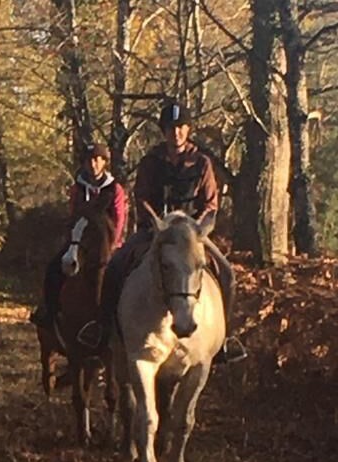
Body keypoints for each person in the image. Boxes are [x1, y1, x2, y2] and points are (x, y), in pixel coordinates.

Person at [77, 101, 247, 363]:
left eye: (180, 127)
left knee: (227, 273)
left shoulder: (202, 163)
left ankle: (225, 339)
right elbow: (141, 196)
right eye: (170, 128)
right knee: (115, 265)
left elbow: (211, 203)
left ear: (188, 129)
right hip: (155, 231)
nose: (175, 133)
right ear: (164, 131)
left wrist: (194, 228)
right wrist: (159, 224)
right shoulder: (150, 162)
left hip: (193, 235)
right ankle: (103, 329)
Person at [29, 142, 127, 328]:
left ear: (104, 162)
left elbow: (119, 219)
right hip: (81, 242)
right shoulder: (77, 188)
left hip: (108, 245)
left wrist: (111, 246)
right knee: (53, 269)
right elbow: (73, 215)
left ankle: (122, 321)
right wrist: (72, 241)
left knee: (124, 277)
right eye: (90, 160)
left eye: (98, 160)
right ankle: (49, 313)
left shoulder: (115, 189)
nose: (93, 164)